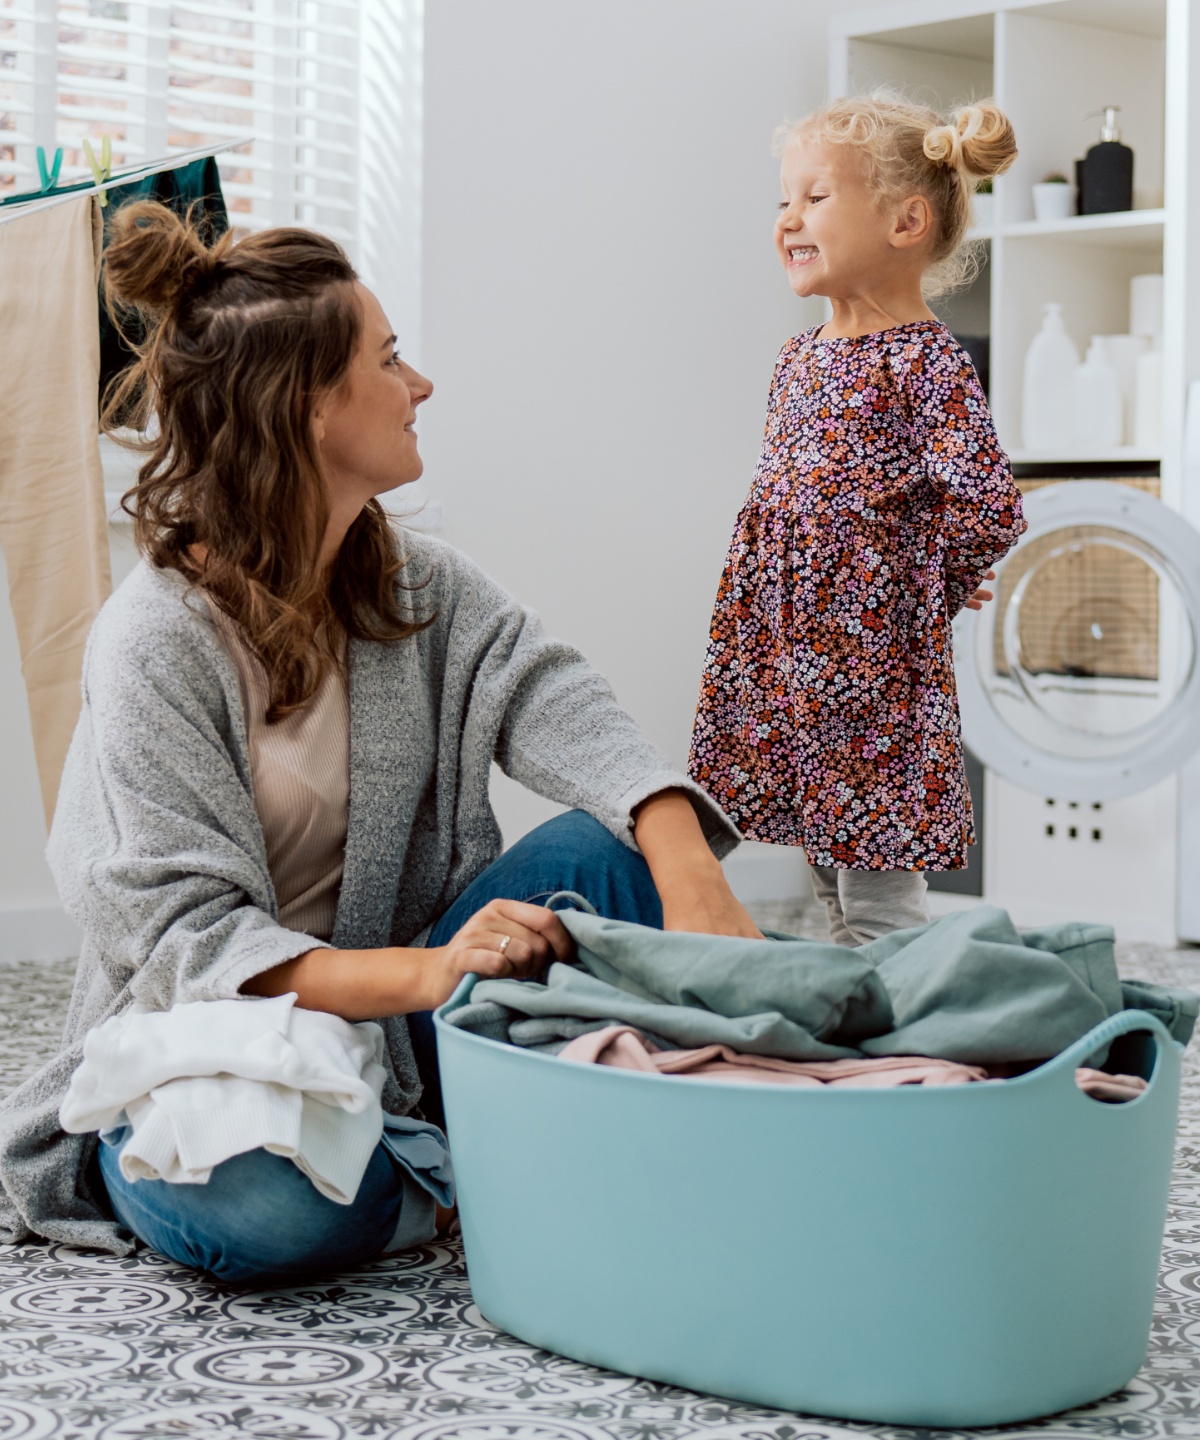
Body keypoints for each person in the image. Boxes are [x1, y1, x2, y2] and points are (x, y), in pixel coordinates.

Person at [0, 200, 759, 1282]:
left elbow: (550, 690)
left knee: (620, 852)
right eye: (391, 359)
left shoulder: (411, 580)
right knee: (253, 1208)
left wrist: (686, 866)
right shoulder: (153, 642)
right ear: (309, 407)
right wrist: (439, 969)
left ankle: (444, 1157)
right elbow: (190, 946)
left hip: (402, 1038)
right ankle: (495, 1151)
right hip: (214, 1048)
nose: (422, 385)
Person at [688, 92, 1027, 948]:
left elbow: (986, 500)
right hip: (786, 646)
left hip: (869, 657)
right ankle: (857, 1004)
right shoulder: (799, 355)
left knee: (875, 870)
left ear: (905, 222)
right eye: (783, 200)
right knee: (823, 848)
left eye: (815, 197)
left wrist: (923, 583)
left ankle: (905, 1008)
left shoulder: (925, 358)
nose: (789, 218)